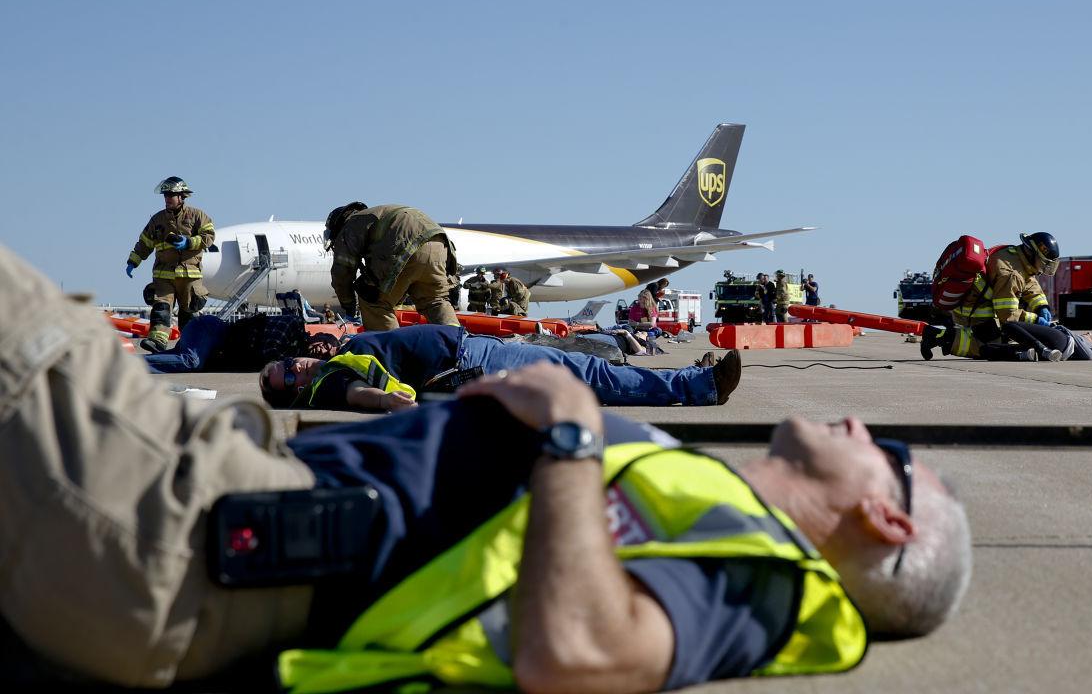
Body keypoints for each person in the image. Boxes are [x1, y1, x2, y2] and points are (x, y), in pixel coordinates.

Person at [0, 240, 971, 690]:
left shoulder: (760, 585)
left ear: (886, 521)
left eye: (886, 453)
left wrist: (570, 437)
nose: (859, 419)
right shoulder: (712, 514)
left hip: (186, 529)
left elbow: (581, 654)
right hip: (203, 510)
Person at [258, 324, 742, 410]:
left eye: (287, 365)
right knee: (592, 377)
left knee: (589, 372)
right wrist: (385, 399)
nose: (298, 368)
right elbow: (357, 395)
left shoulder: (336, 357)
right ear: (299, 394)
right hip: (472, 362)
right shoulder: (332, 383)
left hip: (476, 350)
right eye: (292, 380)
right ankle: (700, 385)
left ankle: (697, 381)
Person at [324, 202, 460, 332]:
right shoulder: (377, 215)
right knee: (435, 301)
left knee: (373, 301)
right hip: (439, 245)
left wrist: (348, 305)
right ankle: (456, 343)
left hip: (407, 246)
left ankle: (391, 349)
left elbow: (341, 272)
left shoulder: (351, 225)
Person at [921, 231, 1058, 360]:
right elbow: (1008, 316)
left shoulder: (1015, 255)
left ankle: (940, 336)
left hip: (979, 305)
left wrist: (1041, 306)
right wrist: (1035, 320)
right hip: (975, 313)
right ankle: (937, 336)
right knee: (992, 348)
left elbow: (1029, 282)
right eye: (1044, 263)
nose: (1044, 269)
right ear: (1032, 253)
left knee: (1008, 340)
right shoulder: (1010, 275)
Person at [125, 176, 216, 353]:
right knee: (161, 307)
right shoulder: (157, 220)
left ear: (181, 197)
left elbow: (209, 237)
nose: (167, 199)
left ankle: (190, 344)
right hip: (163, 275)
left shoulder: (198, 216)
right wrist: (133, 262)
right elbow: (144, 243)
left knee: (188, 313)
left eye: (170, 195)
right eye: (165, 195)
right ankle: (157, 342)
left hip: (190, 276)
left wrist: (189, 242)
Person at [140, 313, 339, 374]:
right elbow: (269, 351)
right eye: (325, 344)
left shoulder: (292, 357)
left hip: (211, 348)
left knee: (177, 361)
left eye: (325, 355)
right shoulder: (292, 324)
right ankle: (126, 366)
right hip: (211, 331)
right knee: (189, 362)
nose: (322, 350)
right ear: (318, 335)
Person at [980, 322, 1092, 362]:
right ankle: (1024, 355)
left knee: (1008, 326)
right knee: (986, 350)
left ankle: (1040, 348)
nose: (1088, 333)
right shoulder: (1084, 349)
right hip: (1053, 351)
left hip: (1060, 340)